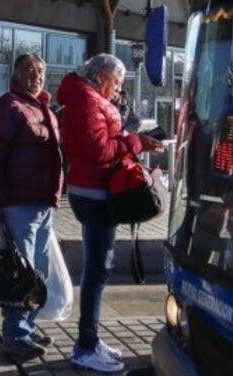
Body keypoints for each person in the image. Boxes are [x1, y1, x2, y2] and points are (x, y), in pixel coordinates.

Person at [57, 54, 163, 373]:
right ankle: (86, 347)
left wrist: (131, 142)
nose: (117, 89)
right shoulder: (87, 100)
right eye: (116, 82)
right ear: (102, 75)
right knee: (97, 271)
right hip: (95, 194)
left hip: (93, 190)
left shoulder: (84, 97)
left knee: (97, 270)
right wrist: (137, 143)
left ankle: (90, 339)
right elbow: (99, 149)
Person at [0, 54, 63, 360]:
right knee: (20, 273)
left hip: (41, 204)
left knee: (36, 272)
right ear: (15, 74)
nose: (36, 75)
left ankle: (24, 327)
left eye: (41, 70)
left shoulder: (41, 107)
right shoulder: (8, 107)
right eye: (29, 70)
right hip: (18, 204)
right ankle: (15, 334)